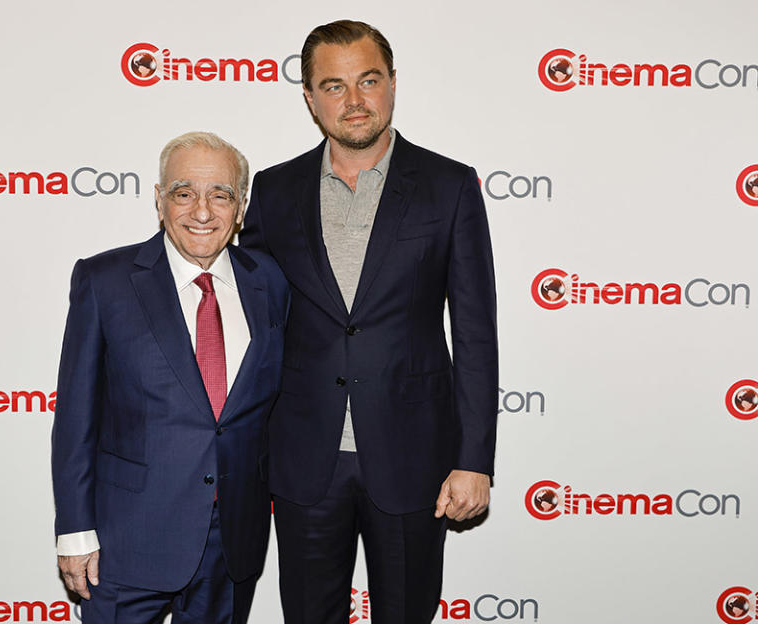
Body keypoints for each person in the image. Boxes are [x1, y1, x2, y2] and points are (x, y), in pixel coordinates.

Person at [240, 20, 498, 624]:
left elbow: (476, 332)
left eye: (368, 80)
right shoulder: (274, 191)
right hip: (304, 457)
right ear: (309, 98)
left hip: (414, 455)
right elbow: (251, 316)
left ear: (392, 84)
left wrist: (475, 457)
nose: (353, 101)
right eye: (333, 85)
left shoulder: (448, 186)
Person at [52, 131, 289, 624]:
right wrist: (75, 531)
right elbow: (75, 419)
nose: (202, 211)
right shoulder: (105, 282)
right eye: (184, 193)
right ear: (160, 201)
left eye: (220, 195)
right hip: (125, 542)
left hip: (233, 544)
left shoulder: (269, 281)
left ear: (240, 207)